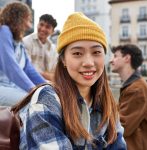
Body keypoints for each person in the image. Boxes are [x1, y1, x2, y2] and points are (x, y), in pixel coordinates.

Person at [19, 12, 126, 149]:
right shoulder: (47, 100)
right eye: (77, 53)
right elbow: (24, 69)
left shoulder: (107, 103)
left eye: (96, 52)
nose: (88, 62)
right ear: (63, 59)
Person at [0, 2, 46, 106]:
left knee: (45, 96)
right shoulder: (3, 32)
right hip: (2, 87)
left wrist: (47, 86)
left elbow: (29, 70)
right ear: (19, 18)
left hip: (11, 88)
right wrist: (32, 89)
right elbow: (10, 66)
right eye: (28, 20)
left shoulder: (19, 43)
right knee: (35, 101)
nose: (29, 25)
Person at [110, 44, 147, 150]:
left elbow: (122, 127)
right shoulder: (132, 86)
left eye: (115, 56)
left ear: (127, 58)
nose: (111, 60)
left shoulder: (137, 89)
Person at [23, 14, 58, 81]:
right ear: (37, 24)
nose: (43, 29)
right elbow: (26, 69)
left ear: (52, 32)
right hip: (28, 83)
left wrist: (40, 74)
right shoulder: (26, 42)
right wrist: (47, 75)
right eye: (41, 24)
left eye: (47, 27)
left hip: (48, 85)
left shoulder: (53, 49)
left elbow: (56, 75)